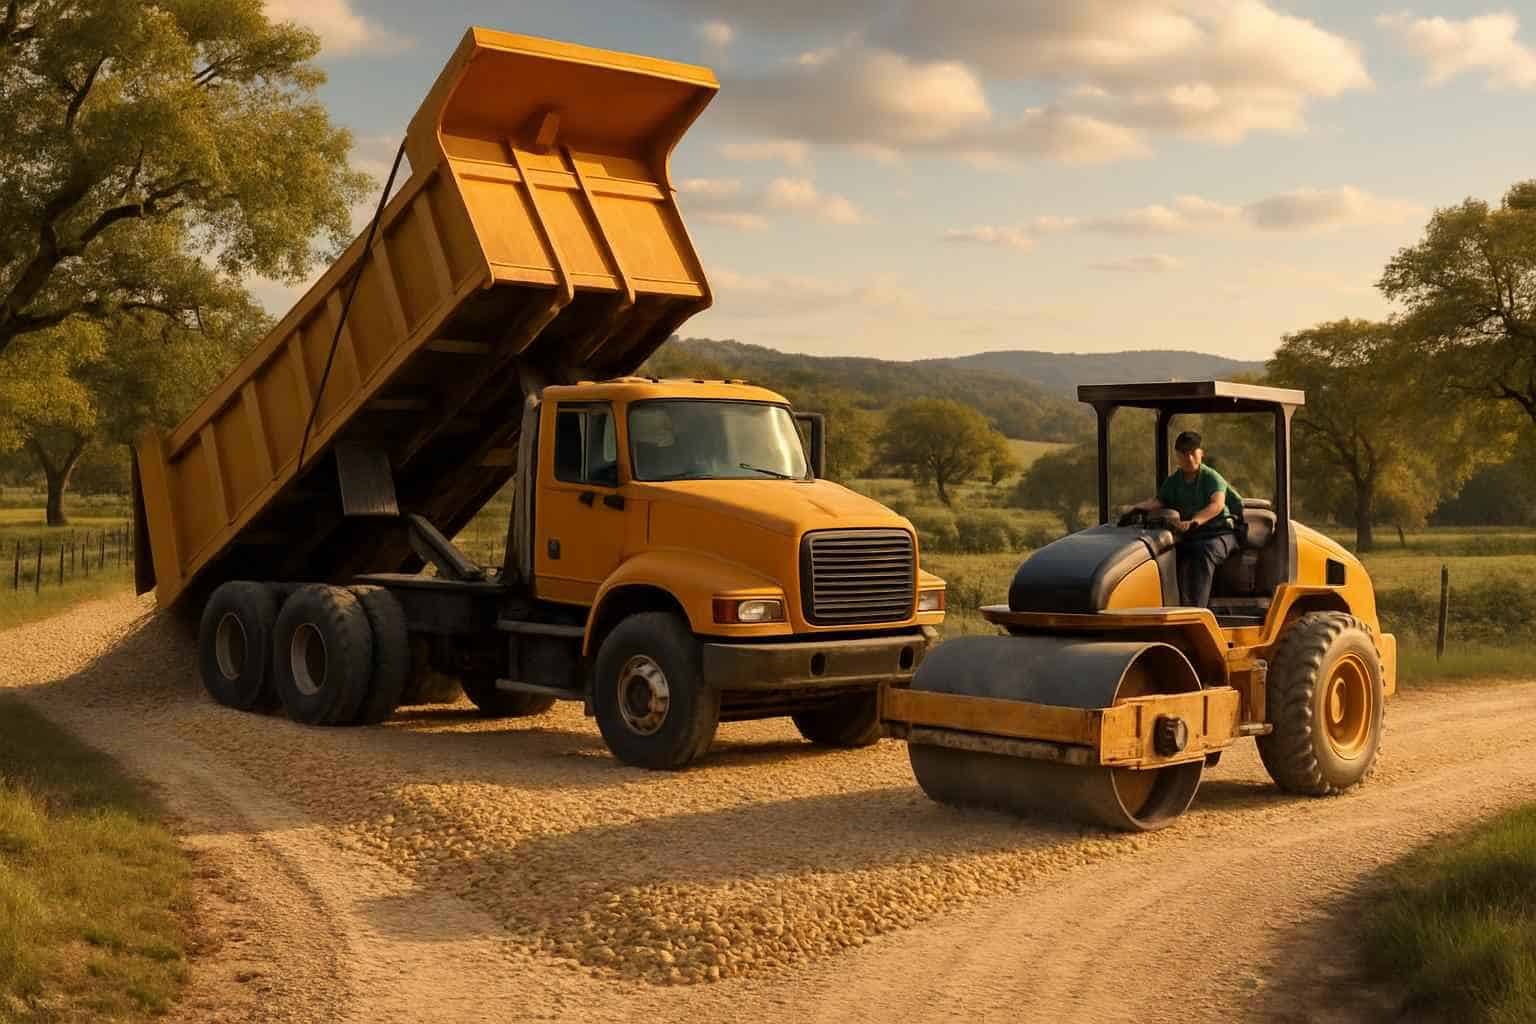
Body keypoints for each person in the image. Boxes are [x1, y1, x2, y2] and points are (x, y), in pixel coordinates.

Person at [1128, 430, 1244, 608]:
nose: (1188, 458)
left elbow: (1217, 505)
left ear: (1201, 453)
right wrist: (1135, 508)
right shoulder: (1174, 481)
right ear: (1177, 456)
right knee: (1165, 552)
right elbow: (1158, 501)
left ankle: (1196, 611)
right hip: (1192, 534)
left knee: (1204, 551)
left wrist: (1194, 521)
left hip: (1221, 533)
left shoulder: (1211, 477)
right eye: (1183, 453)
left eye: (1192, 452)